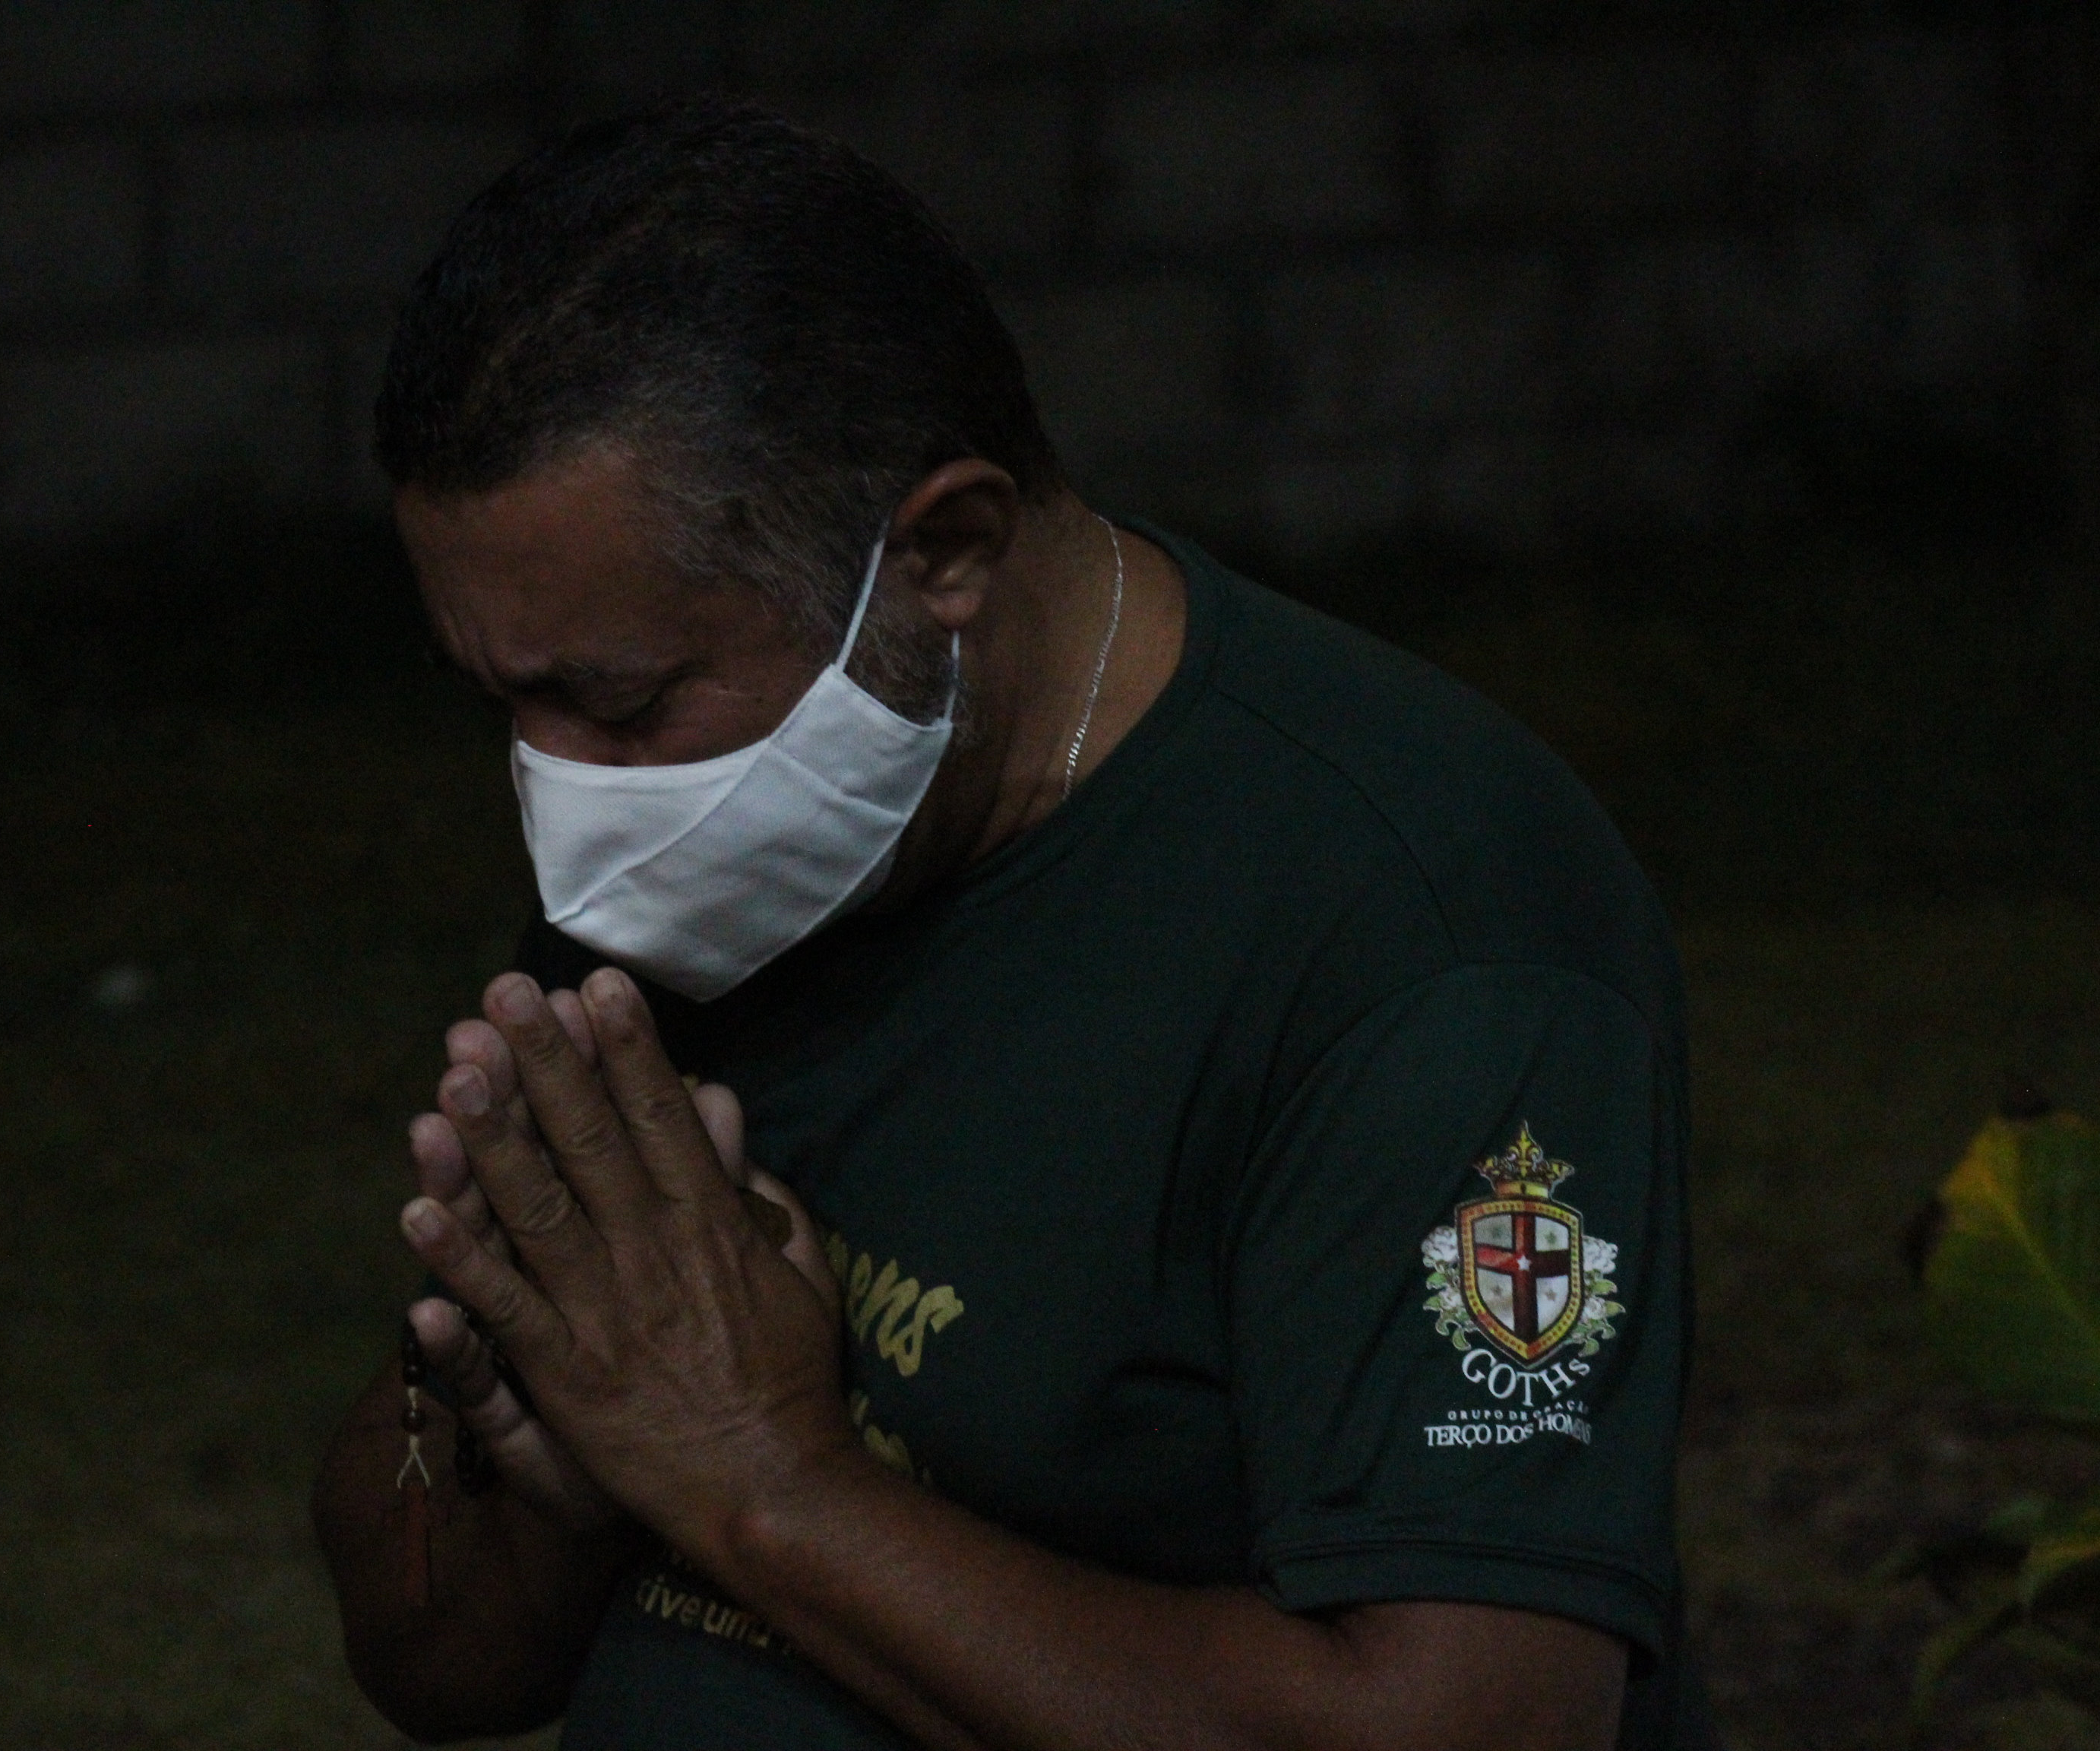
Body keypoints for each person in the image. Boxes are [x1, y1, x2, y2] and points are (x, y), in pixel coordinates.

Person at [312, 97, 1708, 1751]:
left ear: (946, 553)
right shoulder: (706, 855)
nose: (564, 806)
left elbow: (1472, 1730)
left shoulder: (1421, 932)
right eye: (504, 705)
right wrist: (557, 1478)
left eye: (618, 705)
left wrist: (761, 1481)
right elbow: (436, 1666)